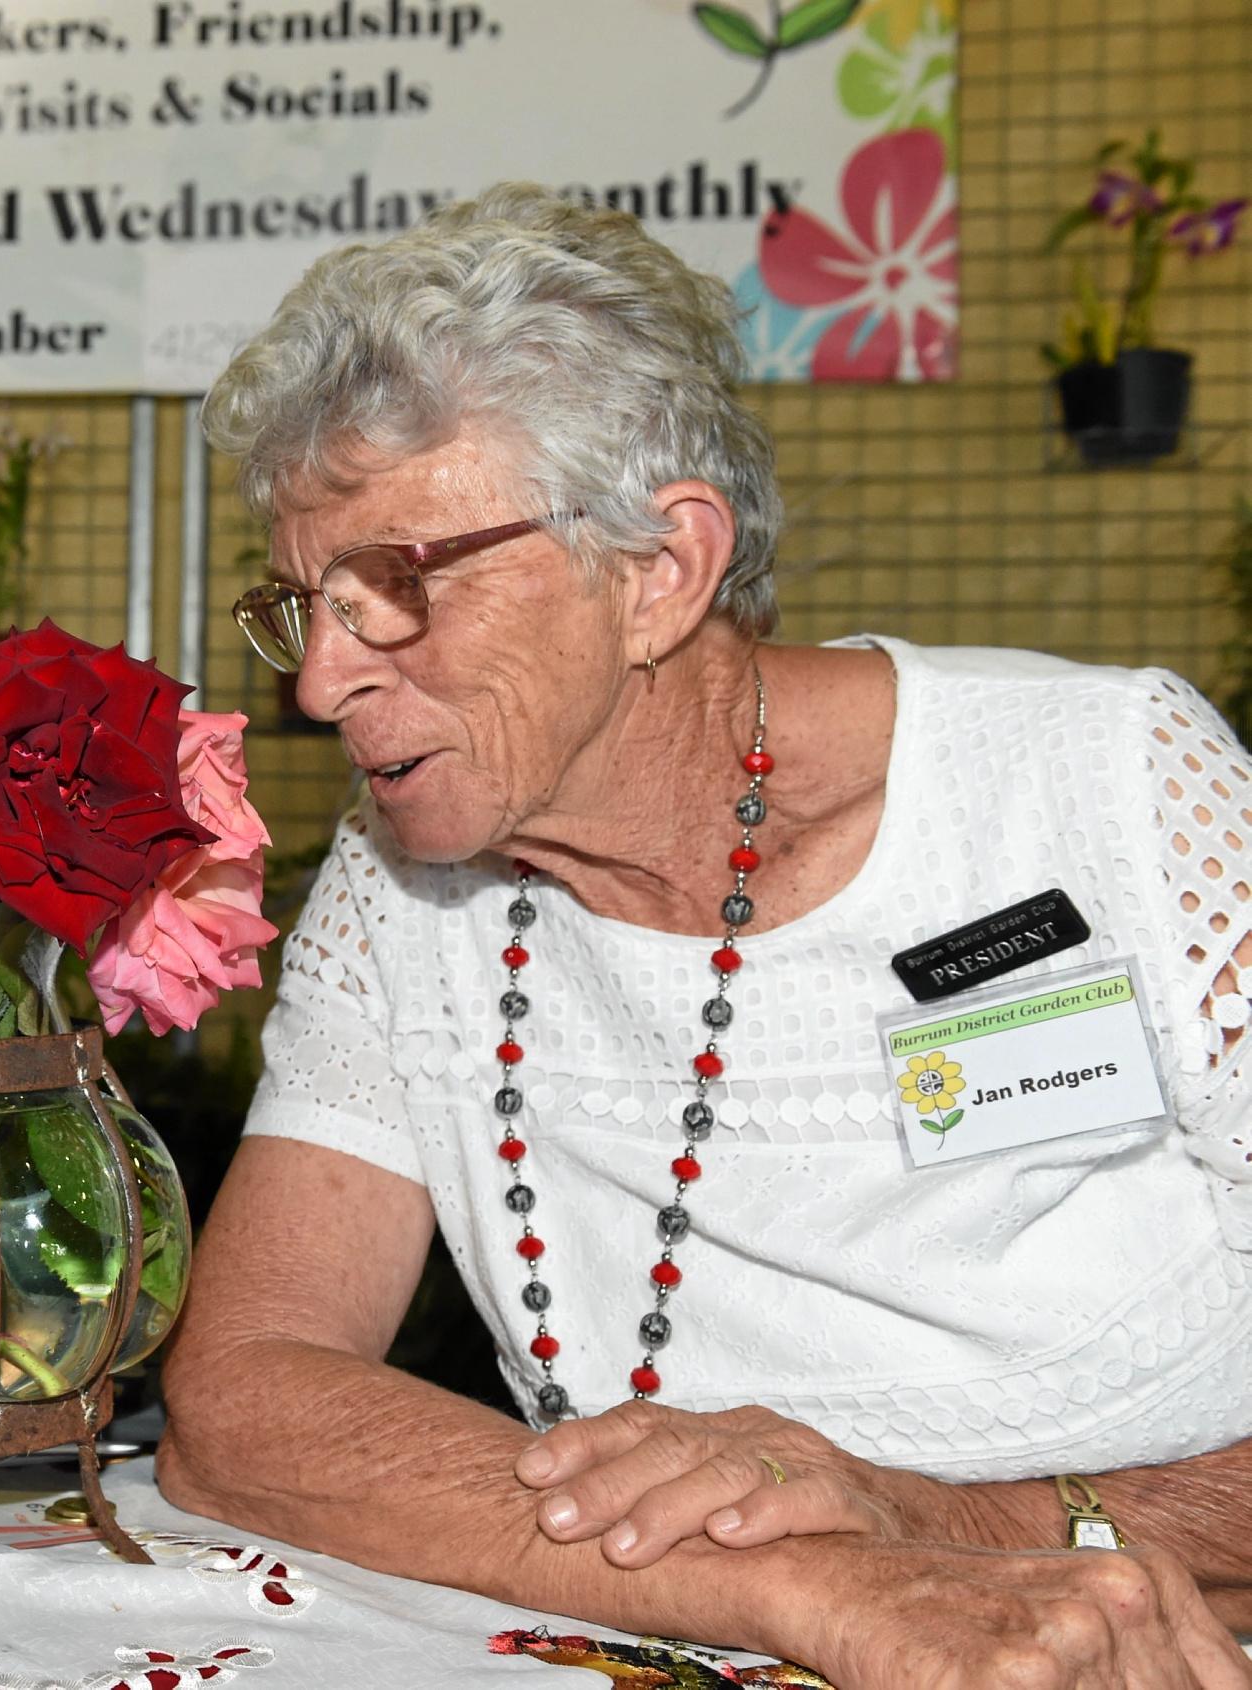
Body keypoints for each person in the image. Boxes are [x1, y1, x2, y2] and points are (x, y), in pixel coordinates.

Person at [158, 183, 1252, 1690]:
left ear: (658, 571)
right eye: (302, 605)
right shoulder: (402, 886)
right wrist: (825, 1591)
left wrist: (939, 1527)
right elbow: (242, 1405)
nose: (318, 681)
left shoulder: (1114, 793)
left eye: (397, 588)